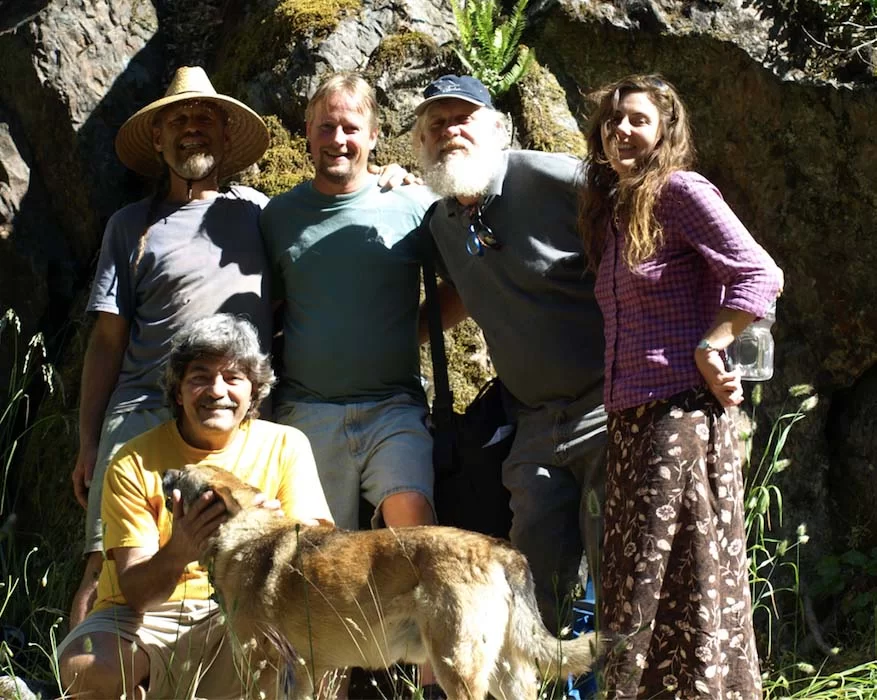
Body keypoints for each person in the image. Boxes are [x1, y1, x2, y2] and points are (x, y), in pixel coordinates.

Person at [579, 74, 783, 698]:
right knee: (637, 576)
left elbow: (759, 271)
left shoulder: (679, 191)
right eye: (611, 121)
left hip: (681, 415)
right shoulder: (613, 208)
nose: (621, 130)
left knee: (682, 571)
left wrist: (713, 342)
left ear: (665, 126)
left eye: (637, 119)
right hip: (630, 418)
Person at [69, 65, 273, 627]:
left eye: (205, 116)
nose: (192, 127)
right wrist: (90, 439)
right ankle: (82, 677)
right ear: (158, 140)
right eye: (178, 118)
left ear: (226, 134)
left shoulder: (260, 214)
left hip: (234, 413)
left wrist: (389, 179)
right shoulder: (130, 226)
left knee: (240, 556)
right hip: (141, 409)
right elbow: (107, 340)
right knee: (105, 561)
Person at [411, 75, 607, 633]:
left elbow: (648, 222)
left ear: (498, 127)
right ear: (421, 145)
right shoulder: (442, 222)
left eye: (462, 117)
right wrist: (385, 337)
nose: (449, 130)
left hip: (610, 409)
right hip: (535, 426)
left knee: (622, 573)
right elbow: (464, 296)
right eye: (435, 125)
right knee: (532, 585)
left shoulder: (555, 179)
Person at [57, 313, 334, 699]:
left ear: (254, 391)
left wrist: (271, 536)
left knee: (317, 641)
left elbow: (316, 558)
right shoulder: (133, 460)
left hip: (247, 608)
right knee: (84, 668)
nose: (217, 390)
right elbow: (136, 593)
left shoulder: (287, 445)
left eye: (233, 378)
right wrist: (181, 550)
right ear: (177, 391)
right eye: (200, 377)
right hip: (148, 618)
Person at [260, 72, 435, 534]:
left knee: (413, 522)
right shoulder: (278, 216)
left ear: (374, 136)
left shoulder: (412, 206)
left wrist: (406, 332)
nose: (337, 139)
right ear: (307, 133)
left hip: (393, 407)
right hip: (306, 411)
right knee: (316, 560)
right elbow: (268, 308)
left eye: (351, 128)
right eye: (325, 127)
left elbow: (462, 287)